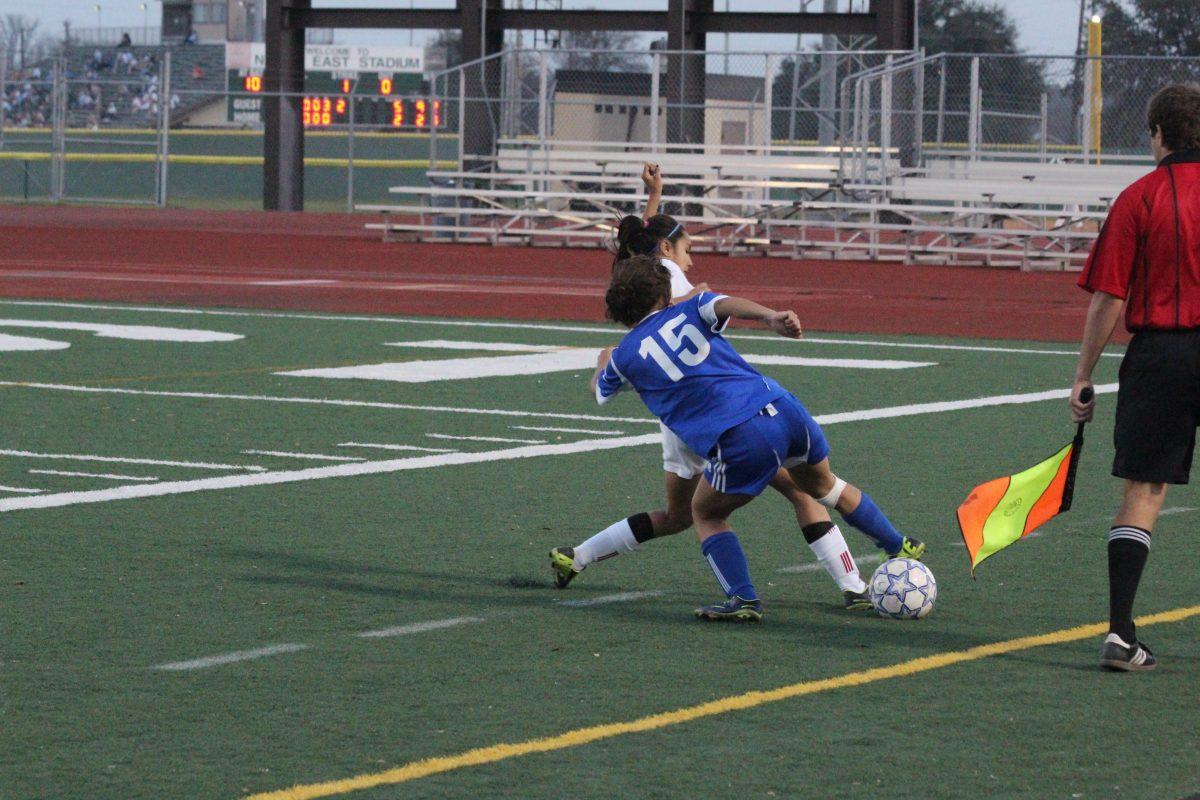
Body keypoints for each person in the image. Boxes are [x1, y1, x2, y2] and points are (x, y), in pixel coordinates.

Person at [550, 165, 918, 610]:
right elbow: (705, 295)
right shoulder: (671, 280)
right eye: (686, 248)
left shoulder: (642, 298)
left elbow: (639, 258)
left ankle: (580, 557)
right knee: (798, 488)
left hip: (702, 418)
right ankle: (872, 567)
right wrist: (760, 314)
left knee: (687, 515)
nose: (690, 259)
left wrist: (654, 199)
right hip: (740, 410)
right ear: (664, 254)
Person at [590, 255, 918, 621]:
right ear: (666, 295)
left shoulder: (625, 357)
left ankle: (743, 599)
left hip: (740, 436)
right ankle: (898, 544)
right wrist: (770, 316)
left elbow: (599, 392)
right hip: (784, 408)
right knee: (825, 486)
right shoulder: (692, 307)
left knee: (705, 512)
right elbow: (724, 303)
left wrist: (603, 361)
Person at [1070, 82, 1200, 672]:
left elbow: (1109, 296)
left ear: (1157, 135)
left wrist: (1083, 374)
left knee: (1143, 494)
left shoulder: (1140, 196)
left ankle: (1121, 636)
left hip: (1161, 356)